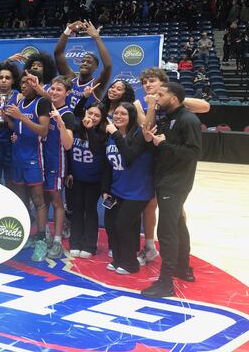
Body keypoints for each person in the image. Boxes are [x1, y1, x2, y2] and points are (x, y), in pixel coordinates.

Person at [141, 83, 202, 298]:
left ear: (173, 98)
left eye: (161, 94)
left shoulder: (188, 119)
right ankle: (183, 268)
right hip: (167, 178)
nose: (156, 97)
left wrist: (163, 145)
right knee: (177, 224)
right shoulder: (168, 117)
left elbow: (194, 152)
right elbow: (151, 137)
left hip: (175, 182)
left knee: (166, 231)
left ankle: (166, 282)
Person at [4, 70, 50, 262]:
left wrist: (21, 117)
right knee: (21, 200)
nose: (23, 85)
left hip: (34, 158)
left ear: (35, 84)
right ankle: (26, 235)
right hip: (17, 157)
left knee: (38, 200)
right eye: (21, 83)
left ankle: (41, 240)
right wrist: (7, 118)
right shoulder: (20, 103)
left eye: (28, 82)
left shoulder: (42, 102)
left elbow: (43, 131)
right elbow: (18, 128)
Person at [103, 103, 154, 275]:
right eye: (116, 113)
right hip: (117, 190)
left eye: (123, 113)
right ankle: (118, 259)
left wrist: (116, 134)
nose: (118, 116)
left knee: (123, 226)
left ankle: (131, 263)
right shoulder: (112, 136)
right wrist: (106, 189)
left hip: (138, 191)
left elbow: (130, 156)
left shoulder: (139, 134)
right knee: (111, 225)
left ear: (131, 116)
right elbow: (108, 166)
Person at [67, 93, 107, 258]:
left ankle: (90, 245)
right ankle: (75, 242)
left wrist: (90, 129)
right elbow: (67, 150)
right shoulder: (76, 128)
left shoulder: (104, 133)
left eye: (97, 115)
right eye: (90, 113)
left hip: (94, 179)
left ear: (102, 118)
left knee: (90, 210)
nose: (92, 117)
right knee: (77, 209)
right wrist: (69, 171)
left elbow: (96, 149)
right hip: (76, 178)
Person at [41, 76, 75, 258]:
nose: (54, 92)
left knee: (56, 201)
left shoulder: (68, 114)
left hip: (56, 162)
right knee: (43, 200)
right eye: (52, 88)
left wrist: (60, 123)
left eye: (59, 89)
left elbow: (68, 144)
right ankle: (45, 235)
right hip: (40, 160)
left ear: (67, 93)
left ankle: (57, 240)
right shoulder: (44, 108)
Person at [54, 20, 113, 109]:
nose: (84, 63)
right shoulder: (71, 79)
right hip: (64, 120)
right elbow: (58, 54)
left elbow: (108, 66)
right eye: (83, 61)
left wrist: (96, 37)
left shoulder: (96, 85)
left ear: (95, 67)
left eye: (89, 62)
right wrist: (68, 30)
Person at [0, 61, 20, 184]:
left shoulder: (19, 97)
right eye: (1, 77)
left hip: (11, 144)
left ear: (13, 81)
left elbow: (21, 123)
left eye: (7, 78)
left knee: (11, 181)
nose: (3, 80)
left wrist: (6, 117)